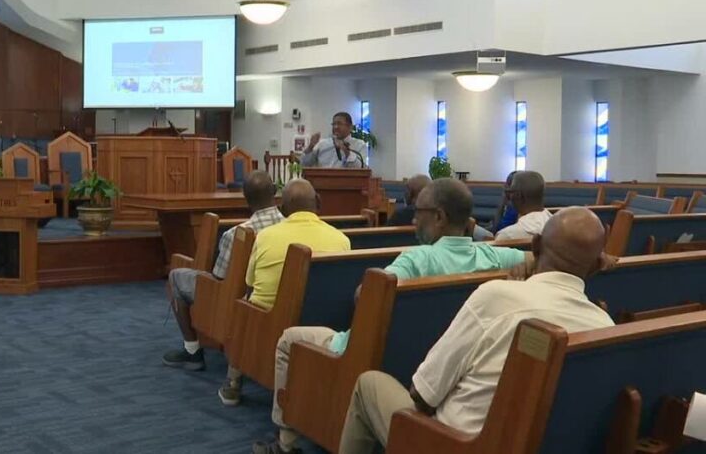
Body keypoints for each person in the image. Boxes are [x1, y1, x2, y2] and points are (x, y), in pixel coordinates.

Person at [252, 178, 529, 454]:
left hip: (371, 356)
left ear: (439, 217)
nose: (414, 219)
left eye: (418, 212)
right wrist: (523, 267)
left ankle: (285, 442)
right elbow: (536, 258)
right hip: (430, 363)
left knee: (290, 338)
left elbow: (367, 295)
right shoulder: (495, 257)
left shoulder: (418, 259)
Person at [338, 207, 614, 453]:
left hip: (453, 443)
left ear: (537, 245)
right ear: (596, 266)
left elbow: (422, 395)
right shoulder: (604, 325)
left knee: (369, 383)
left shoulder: (496, 296)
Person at [219, 179, 350, 406]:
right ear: (317, 203)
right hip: (323, 321)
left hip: (271, 323)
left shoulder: (266, 236)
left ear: (283, 207)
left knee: (242, 304)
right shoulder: (342, 239)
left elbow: (249, 283)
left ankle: (233, 384)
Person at [162, 170, 284, 371]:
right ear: (274, 192)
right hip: (277, 298)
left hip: (234, 302)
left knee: (177, 276)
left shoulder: (236, 234)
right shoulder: (289, 227)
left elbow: (219, 279)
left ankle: (192, 351)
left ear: (246, 199)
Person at [495, 171, 552, 241]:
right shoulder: (558, 226)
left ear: (518, 195)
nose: (509, 196)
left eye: (511, 191)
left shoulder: (507, 235)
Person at [300, 112, 368, 168]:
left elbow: (361, 168)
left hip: (347, 183)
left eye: (339, 124)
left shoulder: (360, 145)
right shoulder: (322, 144)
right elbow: (304, 164)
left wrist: (346, 152)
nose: (336, 127)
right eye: (334, 124)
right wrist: (310, 147)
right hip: (322, 182)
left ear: (350, 127)